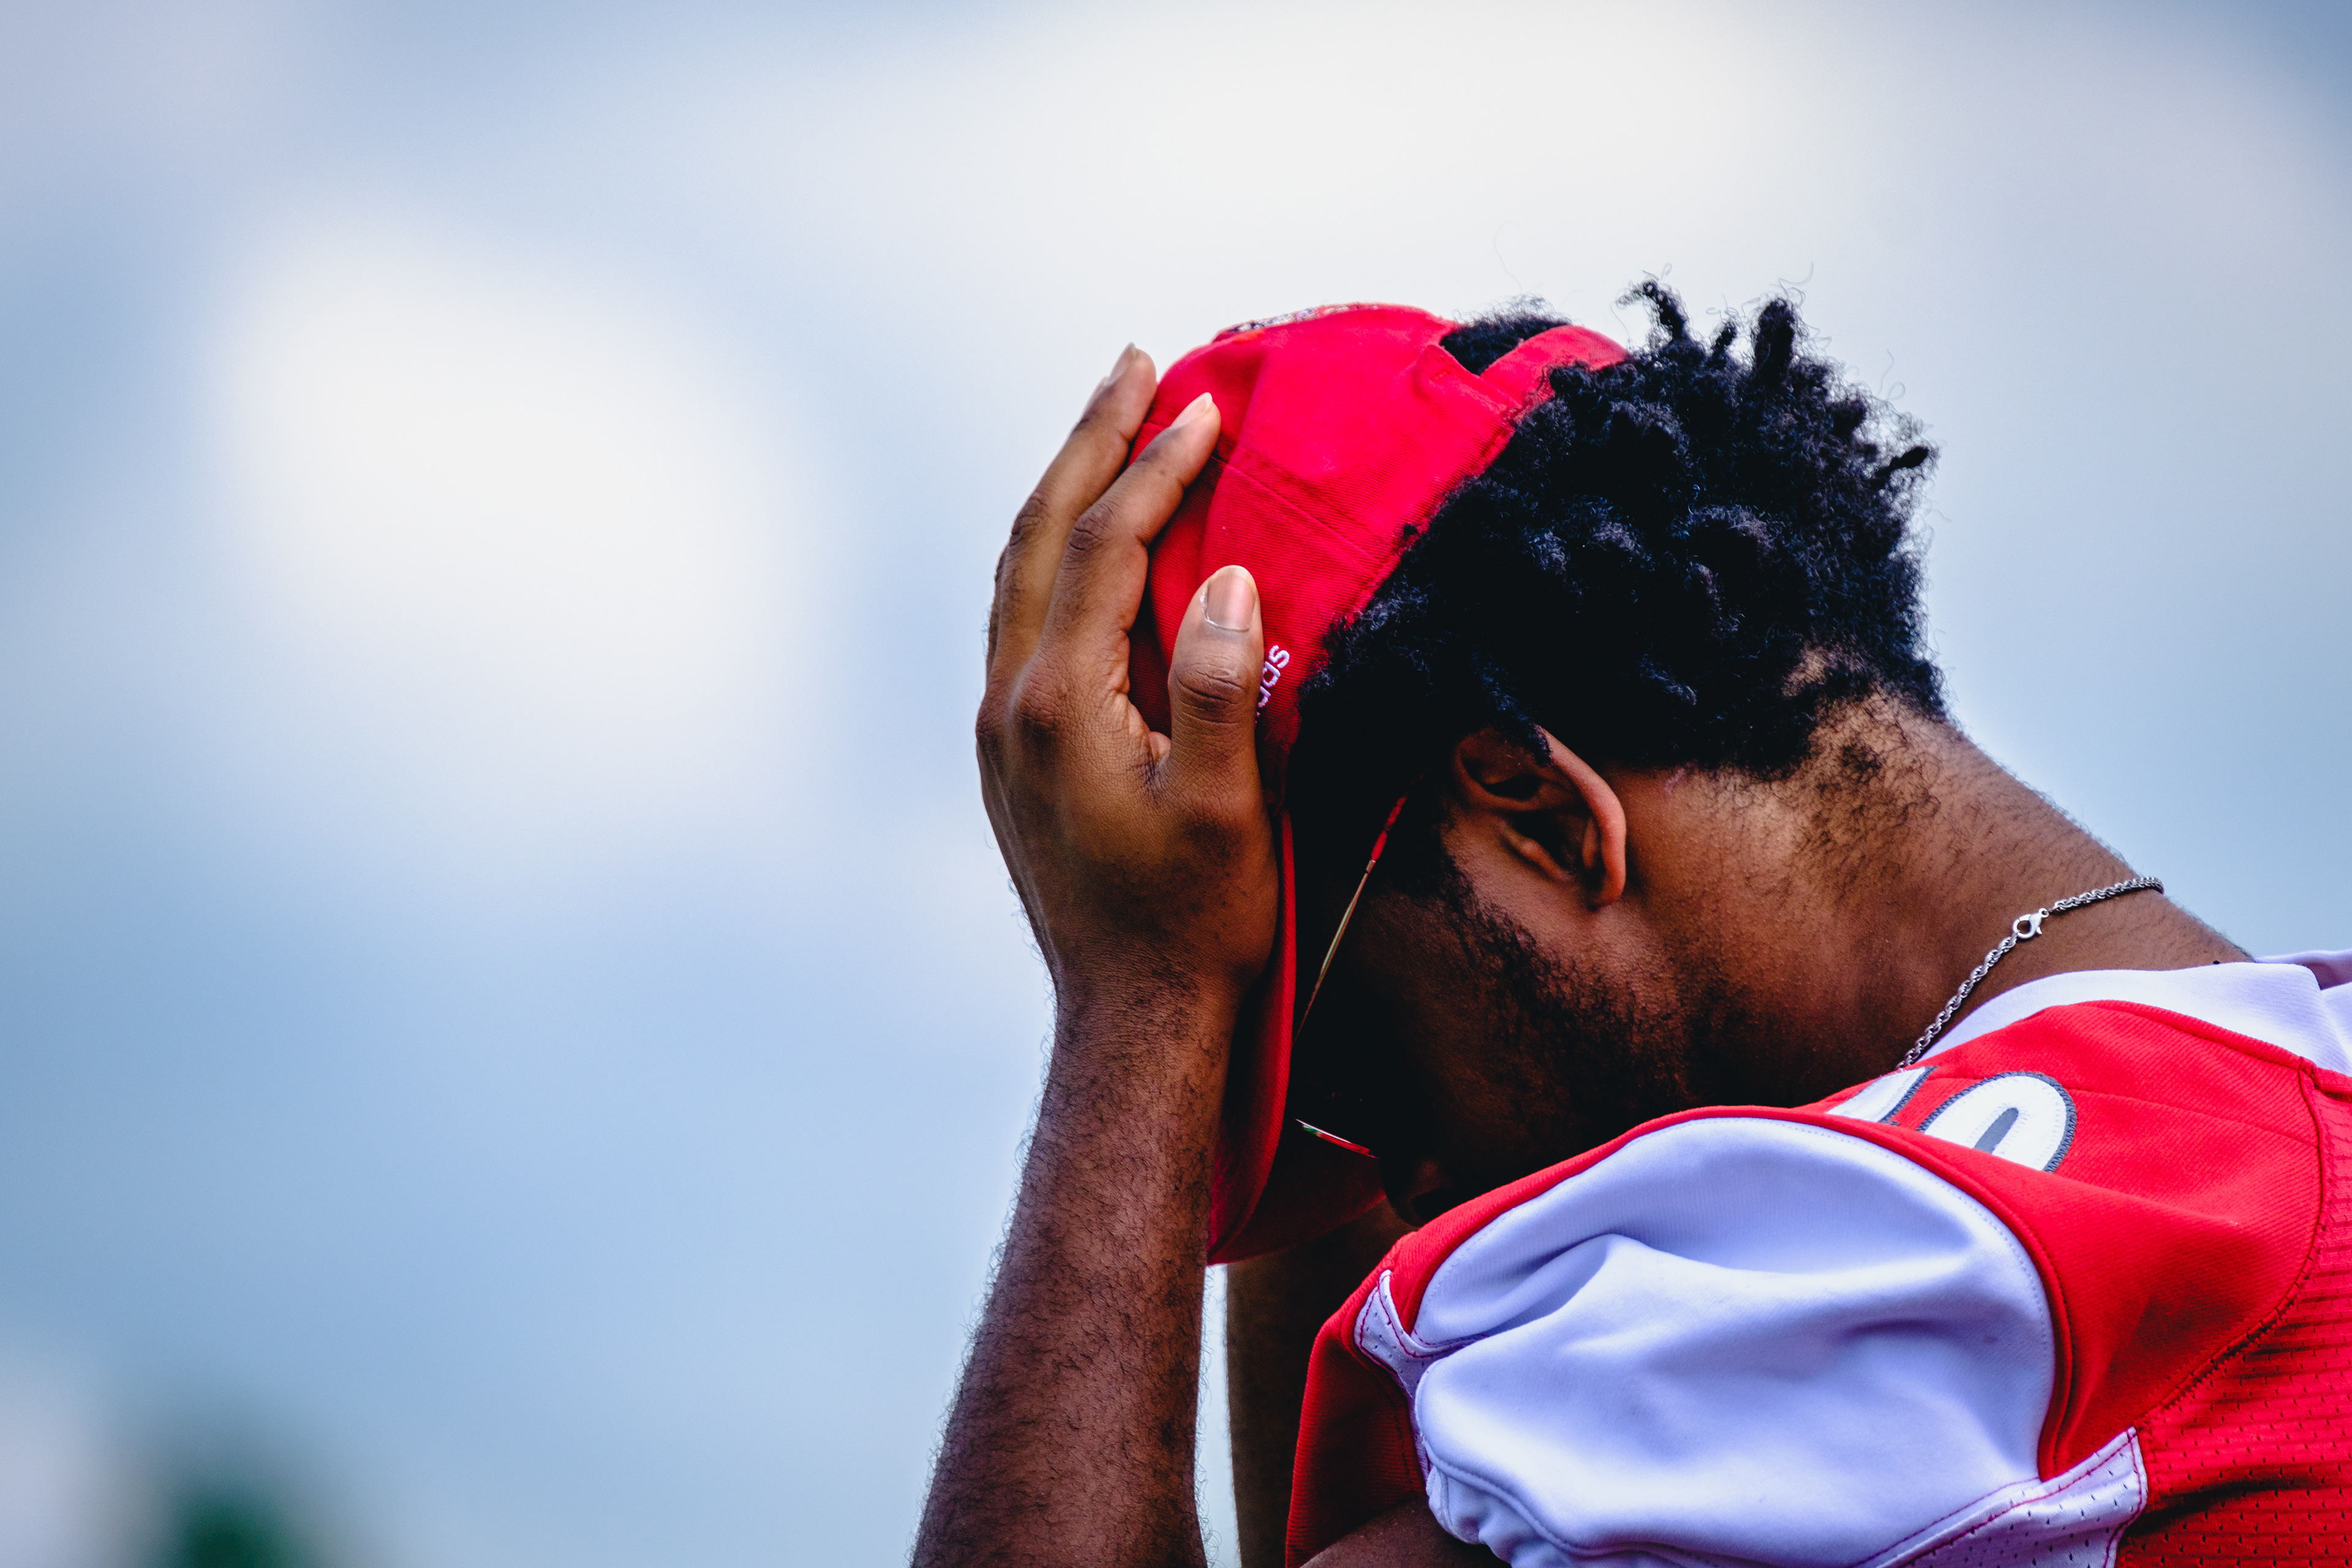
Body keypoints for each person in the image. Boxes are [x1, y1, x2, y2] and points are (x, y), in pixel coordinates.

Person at [921, 288, 2352, 1568]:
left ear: (1544, 813)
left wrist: (1149, 1002)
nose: (1407, 1190)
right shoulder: (2287, 1090)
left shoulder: (1861, 1284)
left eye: (1355, 1080)